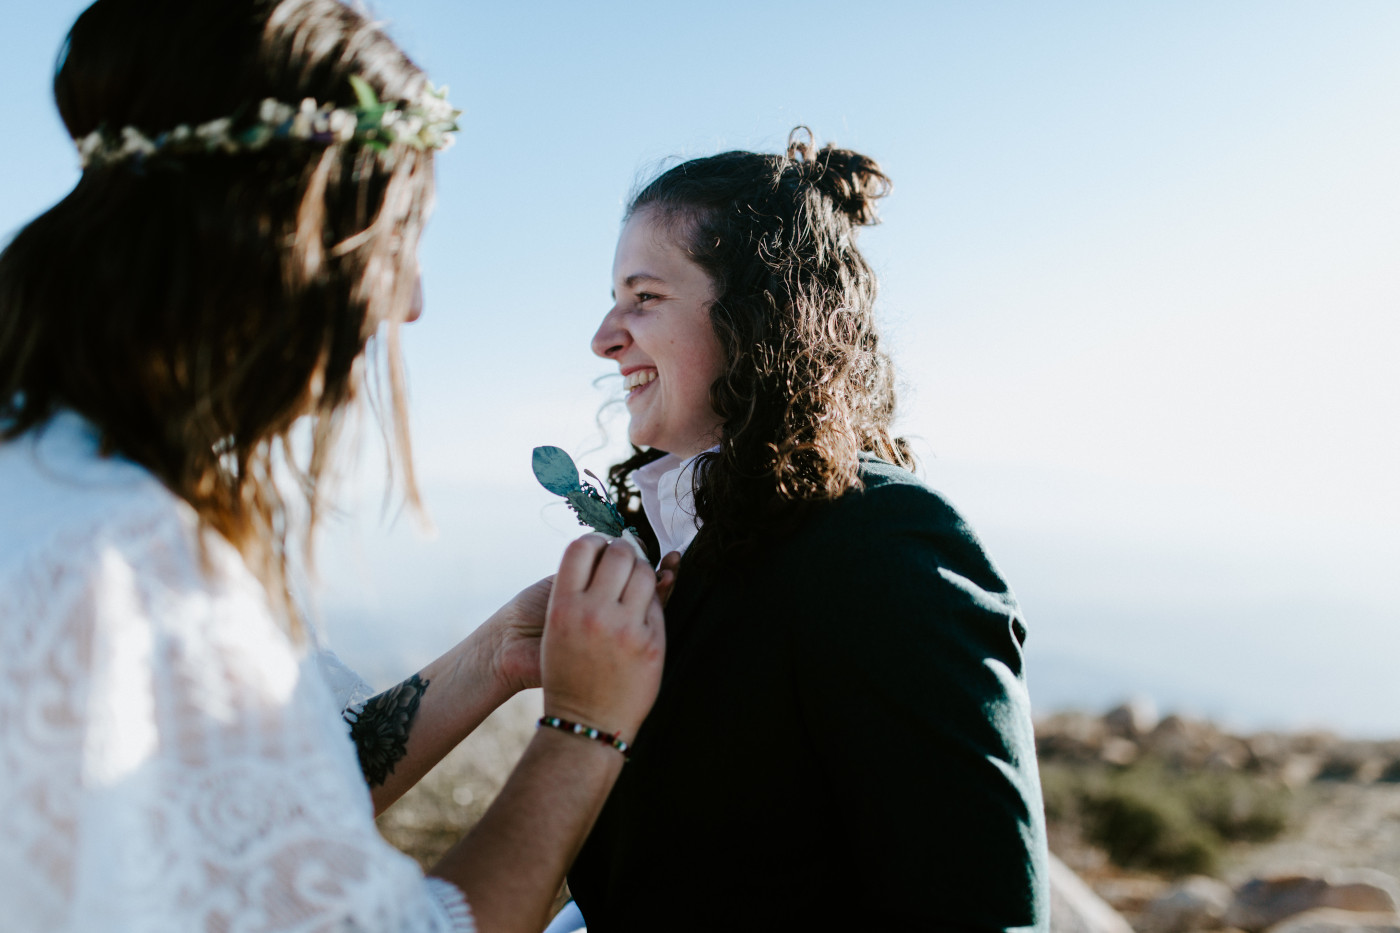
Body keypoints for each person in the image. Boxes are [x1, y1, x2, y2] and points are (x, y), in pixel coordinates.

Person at [0, 2, 666, 932]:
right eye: (398, 240)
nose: (414, 299)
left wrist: (498, 655)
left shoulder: (56, 470)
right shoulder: (132, 569)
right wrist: (585, 728)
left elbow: (262, 798)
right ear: (291, 237)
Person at [568, 129, 1050, 931]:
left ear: (761, 310)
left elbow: (984, 909)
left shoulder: (886, 544)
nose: (605, 335)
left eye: (643, 296)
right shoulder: (685, 543)